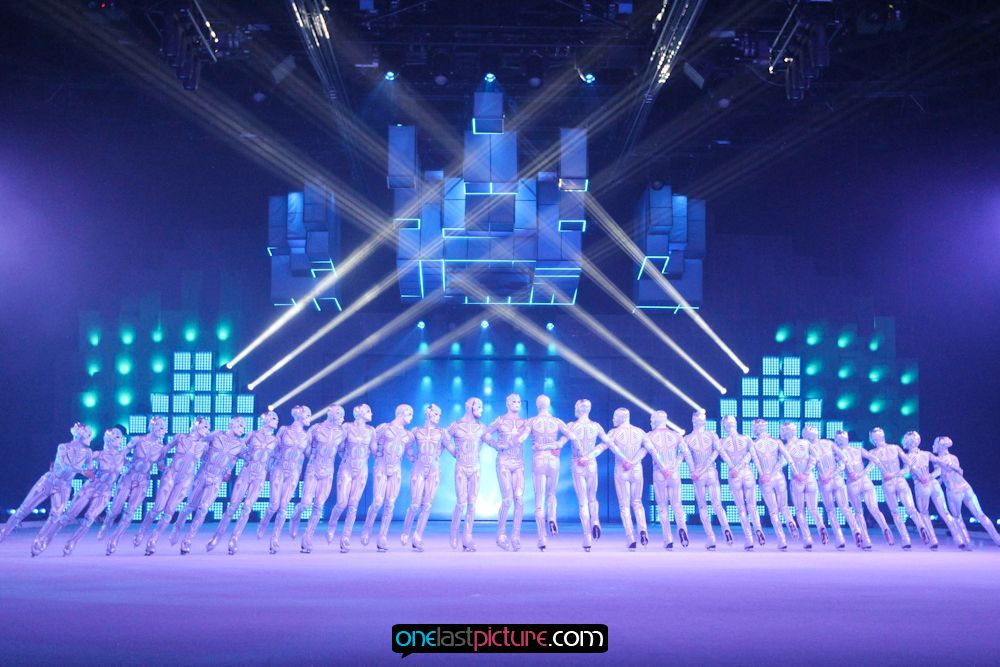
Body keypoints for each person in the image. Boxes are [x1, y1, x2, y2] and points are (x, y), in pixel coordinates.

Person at [32, 427, 127, 557]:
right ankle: (45, 539)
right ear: (109, 439)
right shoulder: (97, 455)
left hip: (105, 492)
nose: (120, 440)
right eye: (117, 437)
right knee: (68, 516)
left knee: (89, 518)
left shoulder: (122, 458)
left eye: (120, 437)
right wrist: (59, 464)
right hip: (90, 488)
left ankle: (72, 542)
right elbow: (77, 462)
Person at [0, 423, 94, 543]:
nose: (90, 437)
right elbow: (65, 465)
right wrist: (83, 471)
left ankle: (40, 540)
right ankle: (4, 532)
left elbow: (90, 470)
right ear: (80, 434)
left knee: (56, 515)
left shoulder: (88, 452)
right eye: (88, 434)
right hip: (49, 481)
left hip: (64, 486)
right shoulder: (63, 447)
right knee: (24, 509)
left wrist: (94, 474)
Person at [207, 411, 279, 555]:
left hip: (260, 475)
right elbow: (237, 449)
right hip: (246, 471)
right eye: (273, 418)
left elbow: (275, 458)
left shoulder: (276, 440)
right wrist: (228, 468)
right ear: (265, 420)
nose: (276, 421)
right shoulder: (253, 434)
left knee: (247, 508)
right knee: (232, 506)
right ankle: (216, 537)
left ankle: (234, 540)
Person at [172, 416, 247, 554]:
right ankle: (177, 527)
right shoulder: (217, 434)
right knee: (190, 506)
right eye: (240, 424)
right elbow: (201, 441)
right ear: (232, 423)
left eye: (244, 426)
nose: (243, 428)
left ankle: (188, 540)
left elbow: (247, 458)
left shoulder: (240, 445)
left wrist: (230, 469)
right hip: (203, 474)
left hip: (216, 480)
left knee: (203, 509)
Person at [140, 417, 212, 555]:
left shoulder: (204, 445)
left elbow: (208, 461)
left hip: (185, 481)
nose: (207, 430)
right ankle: (142, 531)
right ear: (196, 425)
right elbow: (164, 450)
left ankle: (153, 540)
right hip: (171, 476)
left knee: (169, 512)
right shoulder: (180, 437)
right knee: (158, 508)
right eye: (205, 427)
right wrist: (161, 464)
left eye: (208, 428)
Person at [100, 416, 168, 555]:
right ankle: (106, 524)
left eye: (164, 428)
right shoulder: (138, 440)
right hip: (129, 477)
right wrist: (120, 462)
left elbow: (161, 466)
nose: (163, 430)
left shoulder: (161, 449)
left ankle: (114, 539)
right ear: (153, 427)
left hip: (143, 481)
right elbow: (122, 454)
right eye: (161, 427)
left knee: (130, 512)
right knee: (115, 509)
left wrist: (172, 470)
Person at [519, 395, 574, 551]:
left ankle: (542, 538)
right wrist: (558, 444)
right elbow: (571, 435)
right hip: (553, 460)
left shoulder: (532, 421)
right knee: (551, 494)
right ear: (548, 405)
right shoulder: (557, 421)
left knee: (539, 499)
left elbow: (521, 438)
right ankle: (552, 517)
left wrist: (512, 440)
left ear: (537, 406)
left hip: (539, 459)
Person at [291, 405, 345, 554]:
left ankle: (307, 537)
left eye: (342, 414)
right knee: (306, 502)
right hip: (313, 469)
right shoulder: (316, 429)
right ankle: (295, 516)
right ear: (330, 413)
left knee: (319, 505)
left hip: (328, 471)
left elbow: (342, 450)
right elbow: (305, 448)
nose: (342, 417)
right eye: (339, 413)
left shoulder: (341, 432)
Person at [360, 404, 414, 552]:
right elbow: (372, 442)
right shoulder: (384, 428)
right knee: (377, 501)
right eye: (409, 414)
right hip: (381, 467)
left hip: (396, 470)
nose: (411, 417)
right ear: (401, 413)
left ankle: (382, 536)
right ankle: (367, 529)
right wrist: (374, 453)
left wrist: (417, 458)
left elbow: (409, 452)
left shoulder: (409, 435)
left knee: (390, 503)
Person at [258, 405, 312, 554]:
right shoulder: (284, 430)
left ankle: (274, 539)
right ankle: (263, 523)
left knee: (283, 506)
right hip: (279, 468)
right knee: (274, 504)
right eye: (307, 415)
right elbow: (274, 449)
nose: (309, 418)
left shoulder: (307, 435)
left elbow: (308, 454)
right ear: (299, 415)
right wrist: (267, 466)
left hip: (293, 472)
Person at [400, 404, 454, 551]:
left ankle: (417, 536)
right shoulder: (416, 431)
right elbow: (405, 444)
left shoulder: (441, 432)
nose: (438, 417)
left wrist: (464, 454)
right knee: (415, 503)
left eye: (439, 415)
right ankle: (406, 531)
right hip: (418, 468)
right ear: (428, 414)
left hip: (434, 470)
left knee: (427, 505)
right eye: (436, 414)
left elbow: (451, 448)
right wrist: (411, 455)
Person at [902, 431, 967, 549]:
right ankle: (959, 539)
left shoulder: (907, 457)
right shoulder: (926, 454)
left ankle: (933, 540)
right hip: (934, 484)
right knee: (945, 512)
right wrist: (932, 476)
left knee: (924, 513)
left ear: (907, 443)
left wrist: (896, 474)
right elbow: (941, 466)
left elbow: (906, 471)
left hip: (921, 485)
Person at [326, 404, 377, 553]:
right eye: (368, 411)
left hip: (362, 470)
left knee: (353, 504)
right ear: (358, 413)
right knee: (342, 502)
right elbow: (339, 447)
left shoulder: (371, 430)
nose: (371, 413)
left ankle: (346, 538)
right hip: (347, 468)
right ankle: (332, 525)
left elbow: (375, 450)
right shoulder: (347, 427)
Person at [933, 436, 1000, 547]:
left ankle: (967, 542)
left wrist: (929, 477)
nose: (933, 446)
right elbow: (947, 475)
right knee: (980, 514)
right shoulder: (952, 457)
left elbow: (954, 471)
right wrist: (934, 481)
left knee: (958, 517)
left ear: (941, 446)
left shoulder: (939, 460)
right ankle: (996, 538)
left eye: (935, 443)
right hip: (965, 487)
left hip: (955, 491)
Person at [803, 425, 862, 550]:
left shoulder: (808, 447)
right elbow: (844, 459)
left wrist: (825, 475)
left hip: (824, 481)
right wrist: (835, 472)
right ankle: (856, 530)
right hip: (838, 479)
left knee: (830, 510)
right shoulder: (829, 443)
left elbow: (810, 464)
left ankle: (840, 538)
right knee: (845, 508)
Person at [832, 430, 894, 548]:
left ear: (837, 441)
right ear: (847, 439)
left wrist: (850, 473)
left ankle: (866, 540)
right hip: (865, 481)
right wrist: (864, 472)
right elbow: (875, 460)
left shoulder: (837, 453)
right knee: (874, 508)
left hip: (852, 484)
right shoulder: (859, 450)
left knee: (858, 512)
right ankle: (885, 528)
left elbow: (841, 466)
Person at [868, 427, 927, 549]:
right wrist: (920, 475)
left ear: (873, 439)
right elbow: (909, 464)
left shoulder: (873, 452)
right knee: (911, 508)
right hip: (900, 480)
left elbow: (869, 468)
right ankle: (921, 526)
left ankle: (906, 539)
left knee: (895, 512)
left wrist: (859, 475)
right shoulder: (895, 448)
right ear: (883, 436)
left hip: (888, 483)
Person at [683, 410, 734, 549]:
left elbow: (686, 456)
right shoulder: (712, 435)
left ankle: (711, 537)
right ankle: (726, 529)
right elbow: (719, 451)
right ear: (704, 421)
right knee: (717, 504)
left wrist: (694, 471)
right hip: (711, 472)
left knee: (702, 506)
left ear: (693, 420)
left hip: (698, 474)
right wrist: (732, 466)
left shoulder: (687, 438)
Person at [483, 393, 527, 551]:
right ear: (507, 403)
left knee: (519, 498)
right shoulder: (500, 420)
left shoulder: (524, 423)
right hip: (504, 461)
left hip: (519, 462)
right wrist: (495, 444)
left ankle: (515, 535)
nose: (517, 403)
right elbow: (485, 434)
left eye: (519, 401)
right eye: (514, 401)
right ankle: (501, 534)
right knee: (507, 499)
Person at [566, 399, 612, 551]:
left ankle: (587, 537)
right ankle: (595, 520)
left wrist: (551, 447)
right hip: (591, 464)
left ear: (578, 409)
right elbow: (607, 443)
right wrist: (592, 455)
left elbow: (561, 441)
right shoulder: (596, 426)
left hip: (577, 463)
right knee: (593, 498)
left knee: (583, 501)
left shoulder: (572, 426)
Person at [604, 407, 652, 550]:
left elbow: (608, 446)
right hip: (636, 469)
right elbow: (647, 449)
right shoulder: (640, 432)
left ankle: (631, 538)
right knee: (637, 502)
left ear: (621, 418)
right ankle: (643, 530)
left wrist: (625, 460)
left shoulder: (613, 432)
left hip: (622, 469)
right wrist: (634, 461)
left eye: (615, 417)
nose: (613, 419)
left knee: (624, 505)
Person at [749, 419, 798, 550]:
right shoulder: (777, 442)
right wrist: (795, 472)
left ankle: (782, 540)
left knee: (773, 511)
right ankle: (790, 521)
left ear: (756, 429)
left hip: (766, 479)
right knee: (784, 507)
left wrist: (763, 474)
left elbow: (754, 461)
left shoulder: (754, 444)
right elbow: (787, 459)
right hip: (779, 477)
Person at [445, 397, 486, 552]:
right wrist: (454, 452)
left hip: (475, 467)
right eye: (479, 406)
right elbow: (444, 439)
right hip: (461, 467)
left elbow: (490, 440)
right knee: (461, 502)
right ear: (469, 407)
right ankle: (454, 532)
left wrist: (504, 445)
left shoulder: (481, 427)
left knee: (472, 503)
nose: (481, 410)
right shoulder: (456, 425)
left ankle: (467, 536)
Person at [780, 422, 828, 549]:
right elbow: (815, 458)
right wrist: (807, 472)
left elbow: (785, 462)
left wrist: (797, 474)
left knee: (800, 511)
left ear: (785, 433)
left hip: (797, 480)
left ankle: (807, 539)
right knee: (813, 509)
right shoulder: (806, 443)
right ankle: (820, 526)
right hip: (810, 478)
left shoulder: (786, 447)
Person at [647, 410, 691, 550]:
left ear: (655, 421)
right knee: (677, 505)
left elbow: (651, 452)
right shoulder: (676, 435)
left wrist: (663, 468)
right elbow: (685, 452)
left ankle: (668, 539)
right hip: (674, 473)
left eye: (652, 420)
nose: (650, 422)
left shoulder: (649, 435)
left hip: (659, 473)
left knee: (662, 507)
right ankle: (682, 528)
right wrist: (674, 467)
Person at [720, 416, 764, 550]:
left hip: (734, 475)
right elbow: (752, 456)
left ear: (724, 426)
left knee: (741, 508)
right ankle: (758, 528)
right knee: (752, 506)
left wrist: (734, 468)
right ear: (735, 424)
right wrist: (761, 473)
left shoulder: (722, 441)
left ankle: (749, 538)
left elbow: (724, 456)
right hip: (747, 472)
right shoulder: (746, 439)